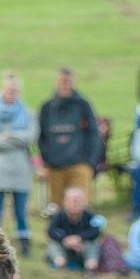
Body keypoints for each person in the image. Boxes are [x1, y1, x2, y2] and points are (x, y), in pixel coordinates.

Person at [0, 71, 37, 257]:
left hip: (20, 171)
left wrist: (8, 136)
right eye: (8, 90)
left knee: (20, 212)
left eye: (15, 91)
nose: (11, 94)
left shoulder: (28, 114)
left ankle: (24, 246)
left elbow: (30, 137)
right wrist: (16, 139)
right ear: (2, 90)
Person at [37, 68, 100, 208]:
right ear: (56, 82)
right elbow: (41, 137)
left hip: (79, 166)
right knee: (57, 209)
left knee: (82, 208)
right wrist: (46, 161)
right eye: (62, 81)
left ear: (74, 82)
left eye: (68, 81)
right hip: (55, 167)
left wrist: (89, 162)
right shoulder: (47, 107)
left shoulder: (83, 105)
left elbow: (94, 134)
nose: (65, 84)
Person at [47, 186, 103, 272]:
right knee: (54, 245)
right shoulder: (59, 216)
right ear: (65, 202)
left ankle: (91, 267)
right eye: (72, 200)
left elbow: (96, 231)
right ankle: (60, 265)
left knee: (93, 244)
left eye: (78, 200)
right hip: (65, 247)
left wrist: (79, 238)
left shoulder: (88, 216)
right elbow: (51, 231)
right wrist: (66, 240)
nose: (75, 203)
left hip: (82, 247)